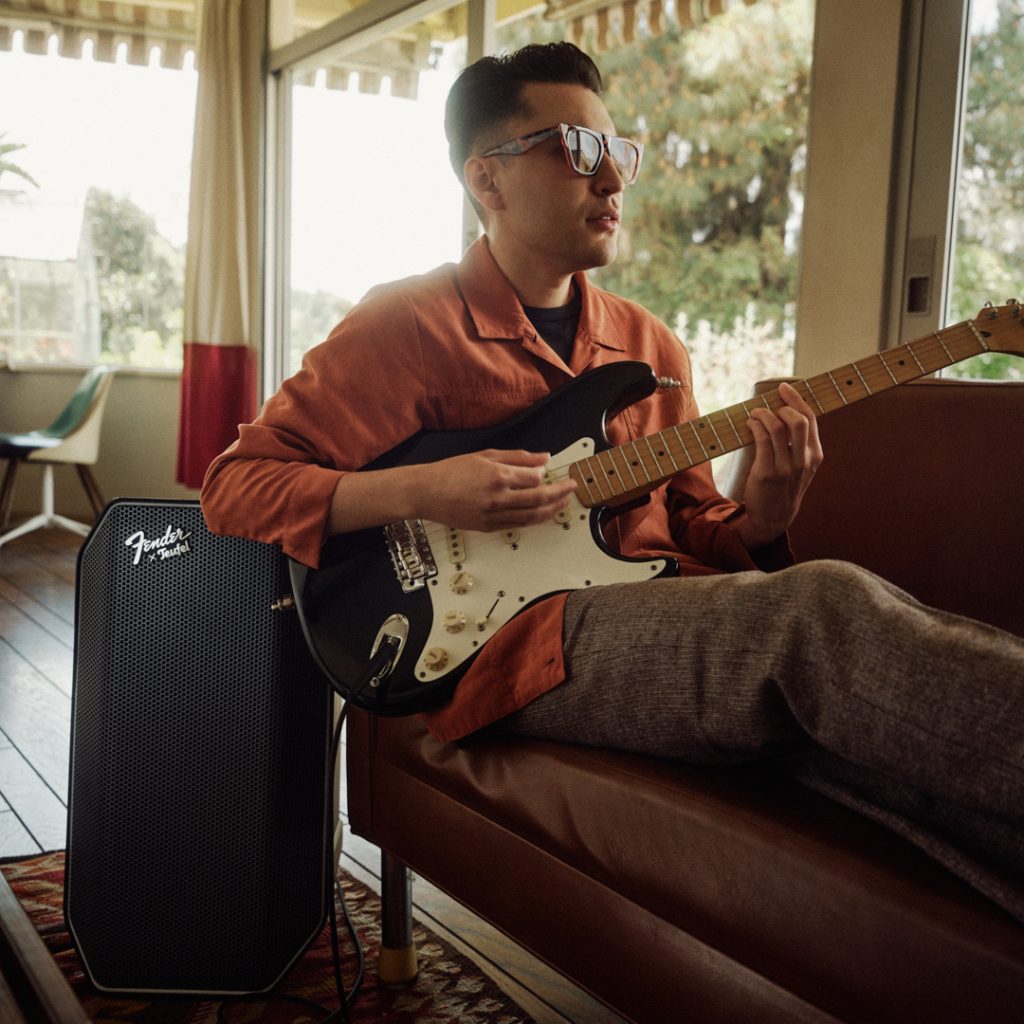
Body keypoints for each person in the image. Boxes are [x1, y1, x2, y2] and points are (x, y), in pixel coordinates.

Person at [201, 42, 1024, 922]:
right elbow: (235, 486)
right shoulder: (404, 324)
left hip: (653, 606)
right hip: (507, 642)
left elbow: (700, 522)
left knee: (863, 755)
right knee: (818, 612)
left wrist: (764, 515)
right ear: (488, 181)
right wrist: (420, 491)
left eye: (617, 153)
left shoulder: (649, 347)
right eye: (577, 150)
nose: (613, 180)